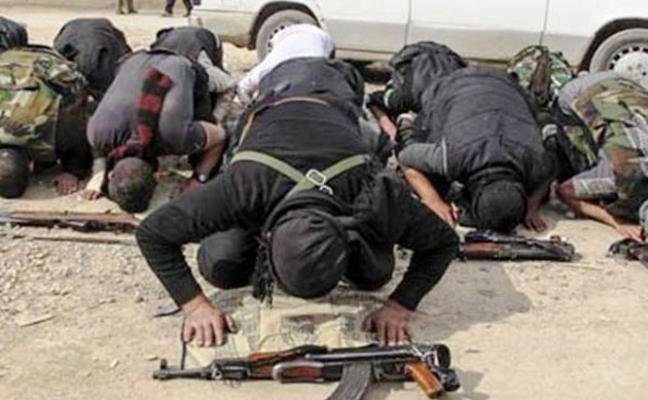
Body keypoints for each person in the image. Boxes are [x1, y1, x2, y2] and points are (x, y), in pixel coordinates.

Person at [136, 35, 459, 348]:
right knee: (222, 266)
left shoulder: (370, 189)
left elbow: (444, 242)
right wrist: (195, 306)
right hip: (281, 93)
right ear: (264, 236)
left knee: (374, 275)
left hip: (337, 99)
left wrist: (400, 306)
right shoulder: (245, 185)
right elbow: (152, 234)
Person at [396, 67, 555, 233]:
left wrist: (532, 206)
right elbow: (406, 158)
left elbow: (551, 168)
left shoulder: (535, 162)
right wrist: (433, 200)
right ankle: (407, 123)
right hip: (450, 86)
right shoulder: (454, 158)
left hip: (504, 82)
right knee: (430, 175)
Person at [84, 49, 229, 212]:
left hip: (185, 63)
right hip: (134, 60)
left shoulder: (176, 137)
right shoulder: (96, 132)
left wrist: (199, 178)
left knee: (201, 139)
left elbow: (221, 135)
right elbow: (99, 149)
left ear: (158, 176)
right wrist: (98, 173)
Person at [551, 71, 648, 240]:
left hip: (626, 84)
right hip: (578, 93)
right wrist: (617, 222)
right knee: (581, 164)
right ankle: (550, 135)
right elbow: (564, 192)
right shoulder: (619, 176)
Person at [0, 46, 94, 198]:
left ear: (30, 165)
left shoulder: (49, 130)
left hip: (48, 60)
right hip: (9, 56)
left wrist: (73, 171)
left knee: (79, 106)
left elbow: (79, 137)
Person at [236, 24, 335, 105]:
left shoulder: (272, 62)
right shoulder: (321, 42)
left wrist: (249, 105)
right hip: (316, 82)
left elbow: (242, 88)